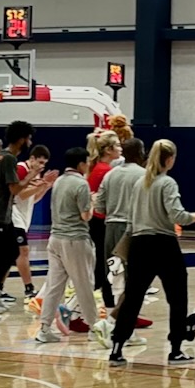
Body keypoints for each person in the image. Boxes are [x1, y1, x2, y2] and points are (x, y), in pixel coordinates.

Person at [107, 140, 195, 366]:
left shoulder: (139, 183)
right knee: (177, 297)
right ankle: (176, 349)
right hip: (163, 244)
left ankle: (117, 347)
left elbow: (131, 222)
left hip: (140, 244)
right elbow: (177, 215)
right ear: (169, 159)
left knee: (132, 297)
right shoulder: (167, 183)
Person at [35, 145, 98, 344]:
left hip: (55, 239)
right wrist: (93, 201)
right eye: (87, 162)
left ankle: (44, 328)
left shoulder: (59, 181)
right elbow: (85, 215)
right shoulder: (81, 184)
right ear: (81, 164)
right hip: (74, 240)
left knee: (54, 285)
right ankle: (95, 328)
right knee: (84, 284)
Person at [97, 136, 147, 325]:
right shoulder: (144, 175)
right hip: (133, 229)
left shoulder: (110, 174)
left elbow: (99, 207)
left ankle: (117, 318)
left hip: (110, 227)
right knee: (135, 279)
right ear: (140, 153)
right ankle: (117, 321)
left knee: (113, 275)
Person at [0, 122, 32, 314]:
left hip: (1, 215)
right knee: (1, 256)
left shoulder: (0, 155)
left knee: (10, 252)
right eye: (28, 138)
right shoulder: (9, 159)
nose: (29, 142)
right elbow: (15, 189)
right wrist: (32, 176)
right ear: (22, 139)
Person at [86, 131, 121, 311]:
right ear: (108, 150)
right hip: (101, 221)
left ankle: (106, 299)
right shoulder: (106, 171)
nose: (120, 149)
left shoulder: (99, 168)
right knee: (106, 262)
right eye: (117, 145)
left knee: (102, 261)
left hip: (97, 220)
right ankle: (108, 300)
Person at [11, 143, 51, 301]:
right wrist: (39, 186)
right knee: (23, 251)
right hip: (13, 214)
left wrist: (46, 187)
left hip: (23, 216)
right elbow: (20, 194)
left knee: (9, 254)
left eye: (44, 164)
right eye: (40, 162)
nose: (41, 166)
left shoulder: (36, 174)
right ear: (32, 158)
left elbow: (33, 199)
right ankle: (29, 288)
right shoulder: (21, 169)